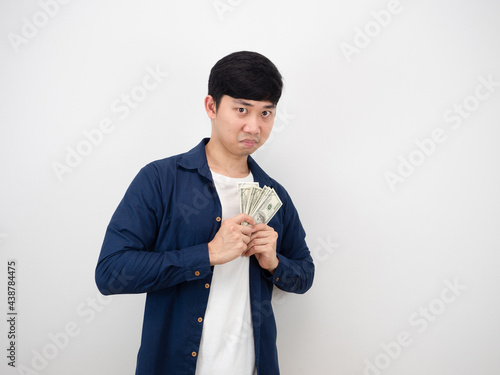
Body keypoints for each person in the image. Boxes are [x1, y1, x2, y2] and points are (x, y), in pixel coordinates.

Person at [95, 51, 314, 375]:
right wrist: (208, 254)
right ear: (211, 107)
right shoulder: (160, 179)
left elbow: (305, 274)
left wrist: (274, 263)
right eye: (242, 109)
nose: (254, 125)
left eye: (266, 113)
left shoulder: (274, 193)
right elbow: (111, 273)